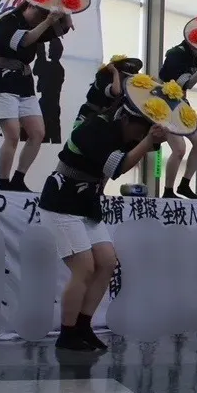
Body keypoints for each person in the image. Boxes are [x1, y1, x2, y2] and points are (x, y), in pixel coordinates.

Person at [38, 82, 169, 351]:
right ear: (126, 119)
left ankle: (83, 325)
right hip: (62, 201)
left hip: (86, 203)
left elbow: (143, 148)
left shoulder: (123, 131)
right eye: (139, 130)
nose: (139, 137)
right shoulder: (95, 128)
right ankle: (67, 333)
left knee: (107, 262)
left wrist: (156, 137)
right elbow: (117, 168)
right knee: (84, 268)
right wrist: (148, 141)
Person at [0, 0, 72, 191]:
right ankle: (4, 183)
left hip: (24, 83)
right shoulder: (8, 22)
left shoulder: (36, 24)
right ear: (30, 6)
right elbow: (23, 41)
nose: (41, 19)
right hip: (2, 81)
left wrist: (66, 10)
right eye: (40, 14)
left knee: (37, 133)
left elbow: (61, 29)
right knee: (12, 135)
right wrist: (47, 21)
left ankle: (19, 178)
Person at [157, 40, 197, 199]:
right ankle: (168, 190)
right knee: (179, 149)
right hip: (165, 103)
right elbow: (188, 84)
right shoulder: (176, 55)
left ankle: (184, 185)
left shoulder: (196, 55)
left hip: (181, 103)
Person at [75, 55, 144, 128]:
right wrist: (115, 72)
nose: (126, 78)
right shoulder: (102, 78)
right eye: (124, 75)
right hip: (88, 114)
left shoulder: (124, 85)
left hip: (103, 118)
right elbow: (116, 91)